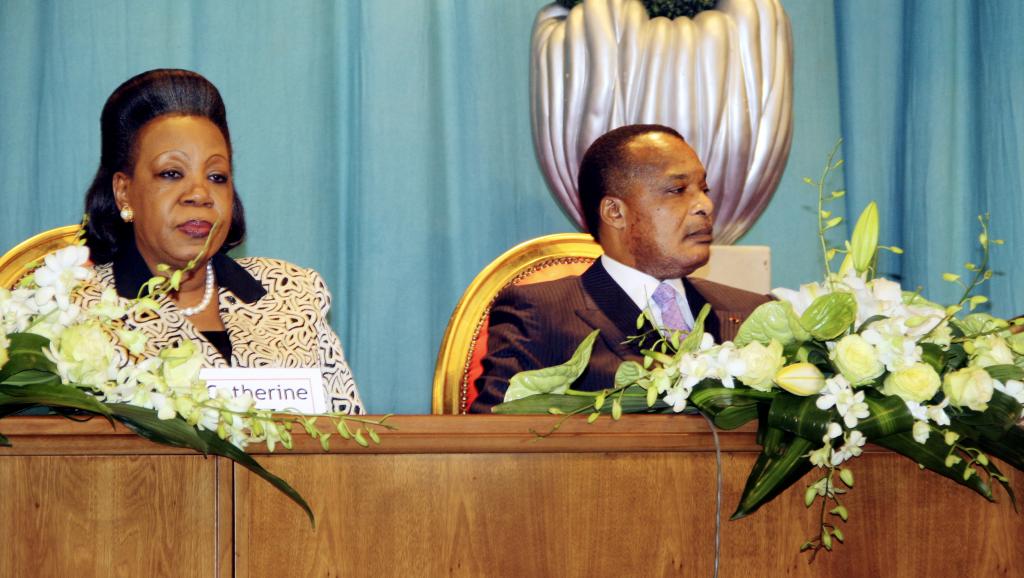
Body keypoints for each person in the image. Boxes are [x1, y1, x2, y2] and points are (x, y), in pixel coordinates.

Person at [79, 69, 363, 414]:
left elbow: (349, 436)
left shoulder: (292, 295)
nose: (200, 194)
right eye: (171, 173)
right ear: (124, 192)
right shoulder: (80, 312)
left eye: (217, 176)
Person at [470, 124, 771, 413]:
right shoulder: (540, 313)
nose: (704, 205)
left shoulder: (755, 312)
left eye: (704, 189)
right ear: (615, 212)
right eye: (678, 190)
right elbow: (492, 442)